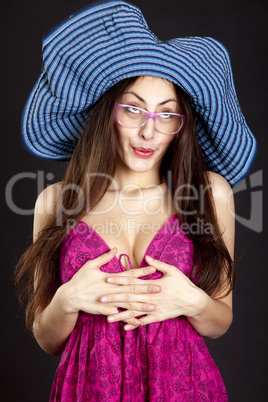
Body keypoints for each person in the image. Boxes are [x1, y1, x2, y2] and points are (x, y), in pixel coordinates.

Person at [16, 1, 257, 401]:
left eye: (166, 115)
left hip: (185, 387)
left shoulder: (210, 193)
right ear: (106, 114)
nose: (149, 131)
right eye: (133, 109)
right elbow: (48, 338)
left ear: (180, 128)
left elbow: (220, 319)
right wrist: (68, 298)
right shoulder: (54, 202)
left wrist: (192, 301)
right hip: (88, 388)